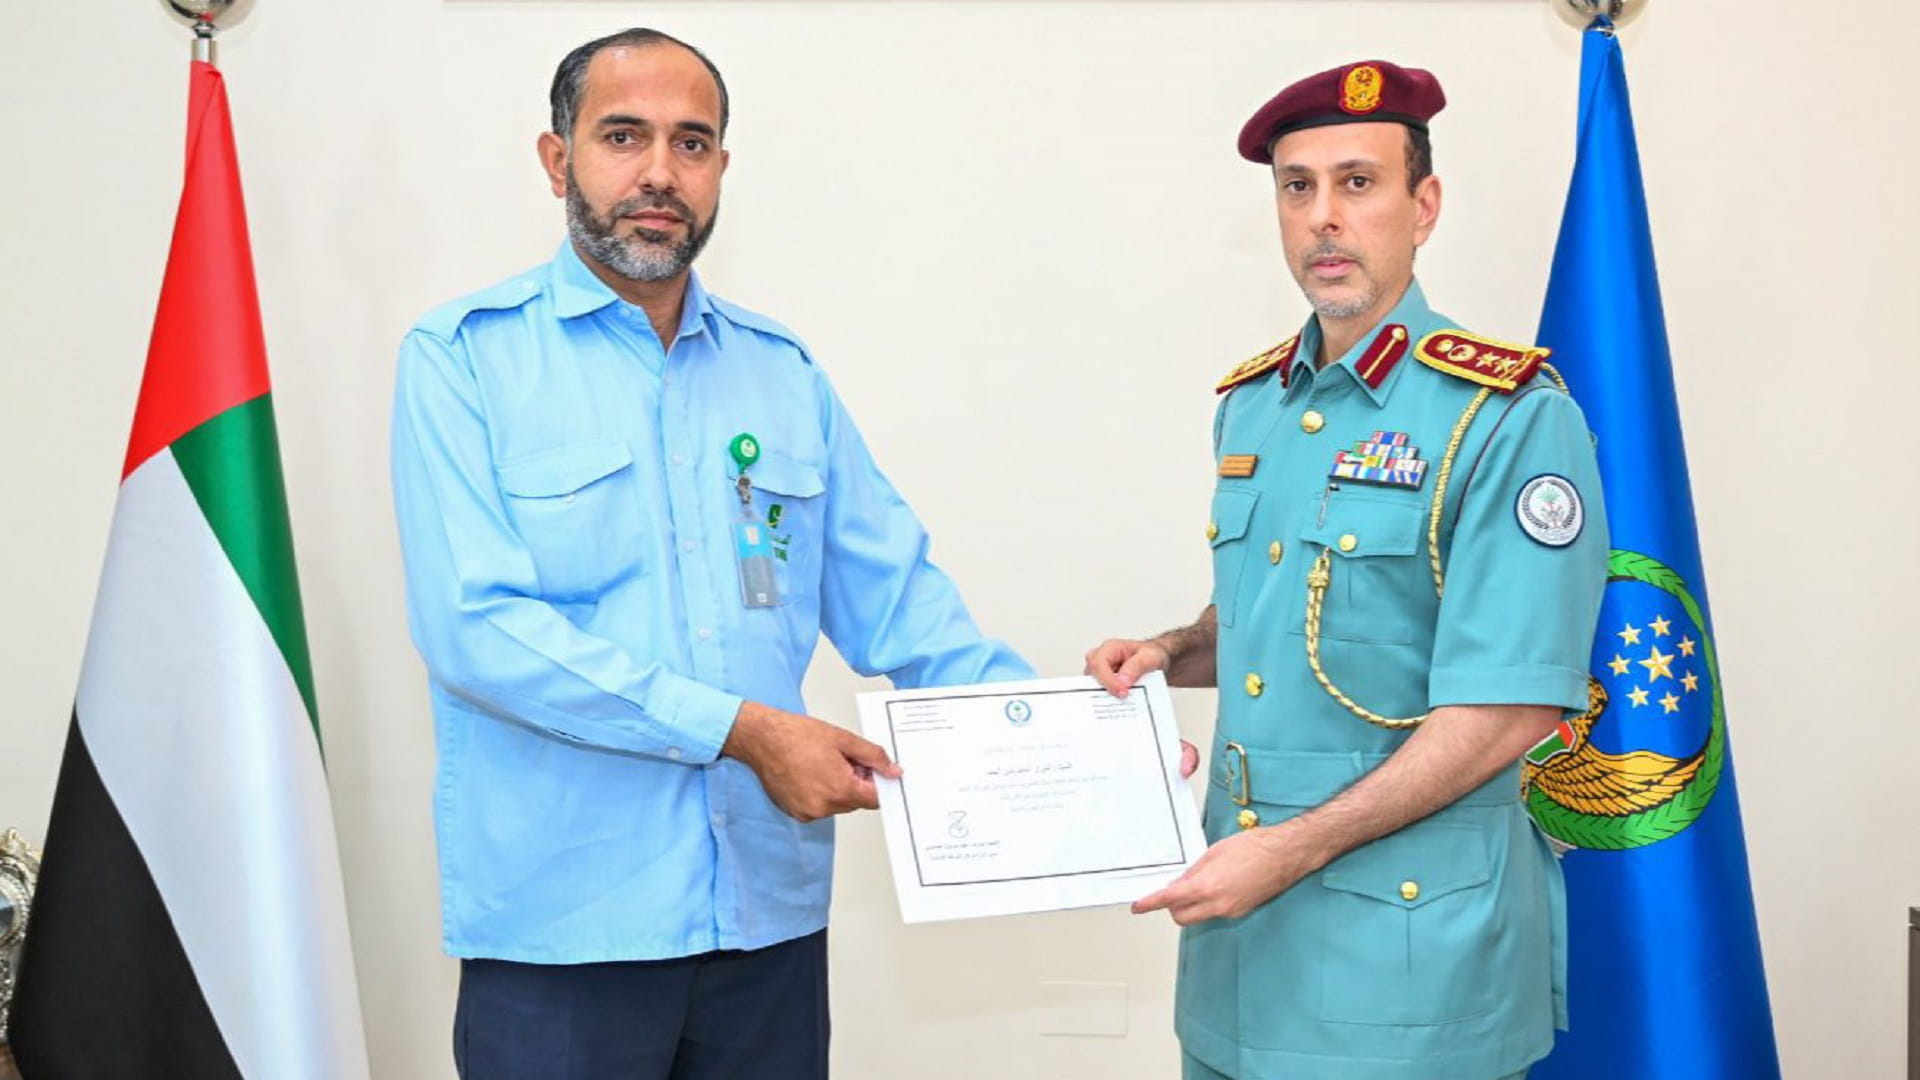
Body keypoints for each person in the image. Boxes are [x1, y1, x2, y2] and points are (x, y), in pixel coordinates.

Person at [390, 27, 1028, 1080]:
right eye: (623, 136)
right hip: (565, 938)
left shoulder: (782, 372)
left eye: (692, 144)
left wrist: (1075, 751)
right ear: (558, 160)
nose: (658, 173)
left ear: (722, 169)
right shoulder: (465, 359)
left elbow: (901, 603)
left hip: (765, 926)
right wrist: (741, 731)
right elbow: (478, 632)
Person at [1085, 60, 1608, 1080]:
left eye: (1357, 183)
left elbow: (1509, 710)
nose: (1324, 216)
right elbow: (1283, 615)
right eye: (1297, 187)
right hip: (1241, 953)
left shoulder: (1506, 417)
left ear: (1424, 207)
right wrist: (1171, 650)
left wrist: (1287, 851)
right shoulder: (1254, 406)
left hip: (1411, 974)